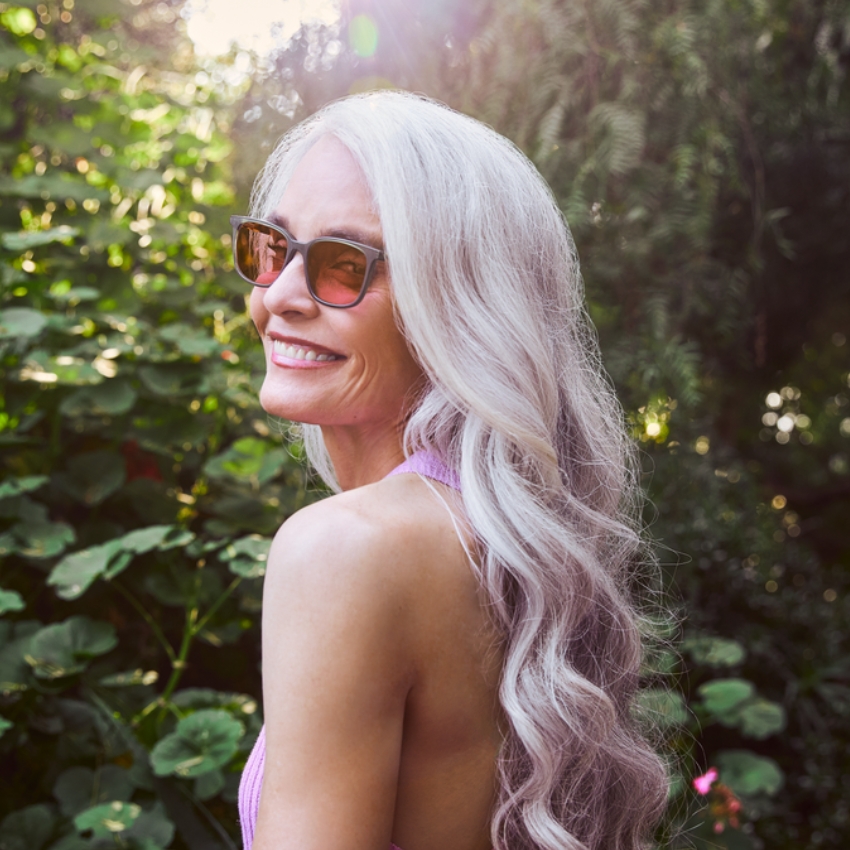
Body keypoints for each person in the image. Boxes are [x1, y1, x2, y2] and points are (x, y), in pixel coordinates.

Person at [230, 91, 667, 850]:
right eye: (271, 247)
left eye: (343, 265)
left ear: (459, 302)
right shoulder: (497, 544)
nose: (280, 296)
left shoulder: (347, 549)